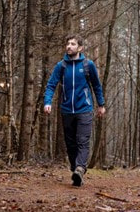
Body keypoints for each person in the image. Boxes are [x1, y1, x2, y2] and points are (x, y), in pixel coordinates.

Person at [44, 34, 106, 187]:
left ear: (80, 48)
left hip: (84, 109)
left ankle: (80, 168)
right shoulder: (61, 66)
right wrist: (48, 102)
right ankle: (75, 169)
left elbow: (96, 86)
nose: (69, 46)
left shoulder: (87, 65)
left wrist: (101, 104)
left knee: (82, 141)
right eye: (68, 44)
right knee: (70, 143)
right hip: (66, 110)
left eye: (72, 44)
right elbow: (51, 85)